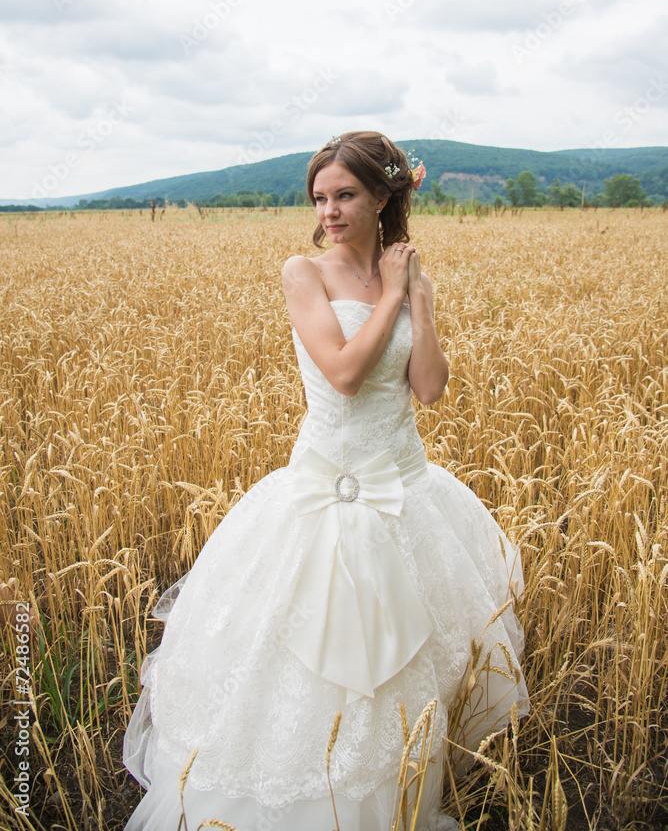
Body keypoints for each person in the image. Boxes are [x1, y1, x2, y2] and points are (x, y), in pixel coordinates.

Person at [122, 131, 529, 831]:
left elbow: (428, 389)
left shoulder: (414, 279)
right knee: (304, 662)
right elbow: (342, 377)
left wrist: (418, 302)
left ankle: (393, 787)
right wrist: (393, 292)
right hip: (323, 487)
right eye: (320, 197)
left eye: (345, 195)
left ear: (383, 198)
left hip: (404, 488)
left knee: (407, 665)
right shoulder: (303, 273)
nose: (330, 210)